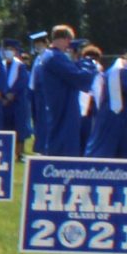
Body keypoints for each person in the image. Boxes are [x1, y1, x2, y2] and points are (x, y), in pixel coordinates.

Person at [31, 27, 86, 157]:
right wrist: (90, 71)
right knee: (64, 143)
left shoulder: (50, 56)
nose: (69, 44)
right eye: (68, 40)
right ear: (63, 39)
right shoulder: (55, 57)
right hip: (62, 103)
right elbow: (75, 76)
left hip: (58, 102)